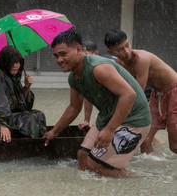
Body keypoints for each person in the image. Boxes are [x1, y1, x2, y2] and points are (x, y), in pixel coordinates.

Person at [43, 28, 151, 177]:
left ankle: (141, 179)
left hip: (134, 120)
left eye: (63, 54)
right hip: (108, 116)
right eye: (56, 56)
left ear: (79, 49)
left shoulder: (98, 68)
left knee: (94, 165)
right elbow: (74, 107)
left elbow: (128, 95)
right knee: (82, 155)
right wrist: (54, 131)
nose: (59, 60)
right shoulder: (73, 78)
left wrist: (110, 130)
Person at [104, 29, 177, 154]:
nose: (126, 51)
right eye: (120, 49)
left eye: (127, 45)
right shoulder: (119, 64)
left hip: (174, 92)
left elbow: (138, 93)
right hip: (157, 94)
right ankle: (151, 171)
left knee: (174, 146)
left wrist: (120, 115)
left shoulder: (141, 59)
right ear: (110, 52)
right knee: (145, 141)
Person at [0, 46, 47, 143]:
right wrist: (3, 124)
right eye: (13, 62)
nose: (16, 65)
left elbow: (24, 105)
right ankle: (30, 146)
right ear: (5, 62)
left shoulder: (13, 77)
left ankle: (38, 144)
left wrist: (26, 87)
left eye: (18, 62)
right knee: (30, 118)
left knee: (39, 115)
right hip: (2, 118)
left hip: (12, 116)